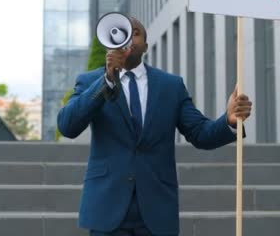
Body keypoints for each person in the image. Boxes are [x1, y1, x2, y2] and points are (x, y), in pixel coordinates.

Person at [57, 17, 253, 235]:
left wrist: (229, 120)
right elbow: (68, 126)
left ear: (146, 46)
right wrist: (107, 81)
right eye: (122, 32)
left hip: (156, 210)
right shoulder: (89, 81)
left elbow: (200, 133)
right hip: (107, 208)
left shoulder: (171, 86)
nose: (129, 38)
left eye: (136, 32)